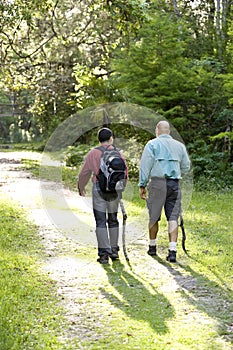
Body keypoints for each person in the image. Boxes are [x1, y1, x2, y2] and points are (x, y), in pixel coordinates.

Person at [138, 121, 190, 262]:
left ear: (157, 130)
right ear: (169, 131)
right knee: (173, 217)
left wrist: (142, 185)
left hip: (156, 184)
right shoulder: (179, 146)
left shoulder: (152, 144)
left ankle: (152, 247)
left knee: (154, 216)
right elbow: (186, 167)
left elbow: (145, 165)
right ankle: (172, 251)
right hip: (174, 184)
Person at [78, 127, 127, 264]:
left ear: (99, 140)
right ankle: (114, 250)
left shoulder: (93, 153)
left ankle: (104, 255)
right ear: (111, 138)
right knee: (113, 220)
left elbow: (84, 173)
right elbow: (125, 172)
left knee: (100, 221)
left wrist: (81, 187)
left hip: (98, 188)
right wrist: (121, 189)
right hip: (114, 191)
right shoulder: (118, 153)